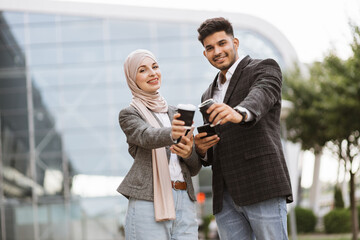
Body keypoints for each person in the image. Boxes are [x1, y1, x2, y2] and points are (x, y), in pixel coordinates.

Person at [194, 17, 293, 240]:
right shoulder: (207, 95)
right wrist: (201, 149)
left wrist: (238, 112)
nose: (217, 51)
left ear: (235, 43)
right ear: (205, 54)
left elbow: (262, 94)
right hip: (225, 196)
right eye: (210, 48)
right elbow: (213, 151)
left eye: (222, 43)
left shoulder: (264, 67)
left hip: (261, 184)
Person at [117, 49, 201, 240]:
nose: (153, 73)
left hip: (184, 200)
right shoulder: (130, 114)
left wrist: (189, 152)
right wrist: (173, 133)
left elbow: (194, 168)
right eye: (143, 70)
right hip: (149, 200)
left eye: (155, 67)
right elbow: (146, 136)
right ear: (132, 78)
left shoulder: (175, 113)